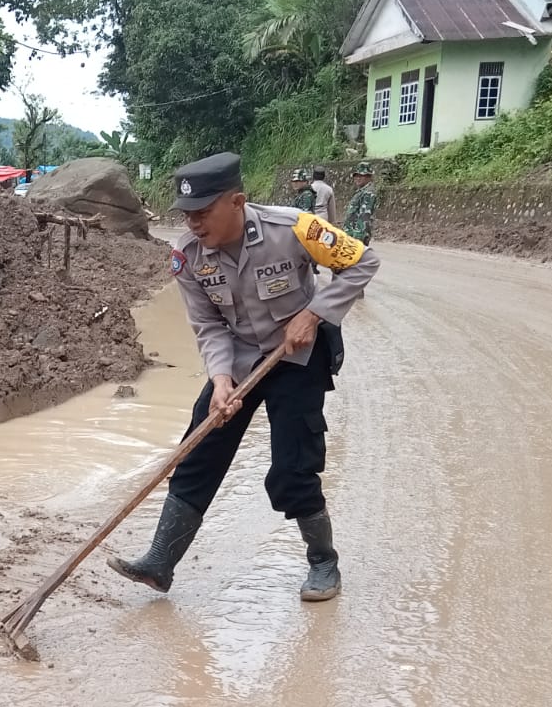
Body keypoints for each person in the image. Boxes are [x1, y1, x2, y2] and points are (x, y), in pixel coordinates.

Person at [109, 152, 378, 601]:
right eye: (187, 215)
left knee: (293, 468)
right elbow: (208, 325)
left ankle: (323, 562)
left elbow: (363, 262)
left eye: (203, 213)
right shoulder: (187, 256)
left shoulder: (295, 227)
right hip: (237, 358)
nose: (193, 223)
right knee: (198, 449)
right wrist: (219, 379)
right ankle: (160, 562)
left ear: (237, 201)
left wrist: (314, 314)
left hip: (297, 357)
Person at [344, 161, 378, 242]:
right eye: (356, 176)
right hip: (351, 234)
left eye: (362, 176)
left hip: (358, 236)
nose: (358, 178)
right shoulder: (361, 192)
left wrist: (358, 237)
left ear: (369, 177)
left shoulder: (368, 193)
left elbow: (364, 216)